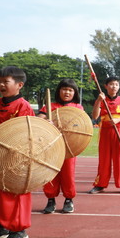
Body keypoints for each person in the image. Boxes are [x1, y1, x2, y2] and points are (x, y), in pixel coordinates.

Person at [0, 66, 35, 238]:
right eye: (0, 81)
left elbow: (26, 134)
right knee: (1, 192)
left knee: (17, 192)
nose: (1, 84)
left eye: (6, 81)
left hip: (17, 158)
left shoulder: (23, 106)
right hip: (0, 157)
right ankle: (3, 226)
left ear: (19, 85)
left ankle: (19, 230)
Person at [38, 78, 84, 213]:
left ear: (74, 93)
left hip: (69, 147)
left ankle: (69, 199)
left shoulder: (77, 107)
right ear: (59, 91)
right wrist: (47, 120)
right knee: (50, 173)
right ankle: (50, 199)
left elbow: (82, 125)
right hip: (50, 146)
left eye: (70, 90)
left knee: (68, 174)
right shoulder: (49, 106)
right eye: (64, 89)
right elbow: (39, 118)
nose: (67, 92)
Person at [89, 76, 120, 194]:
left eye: (116, 84)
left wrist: (118, 120)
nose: (114, 86)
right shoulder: (101, 100)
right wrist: (99, 100)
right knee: (104, 159)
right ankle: (100, 184)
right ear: (106, 86)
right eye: (112, 84)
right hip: (105, 132)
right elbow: (94, 117)